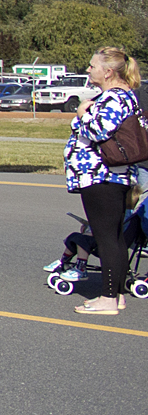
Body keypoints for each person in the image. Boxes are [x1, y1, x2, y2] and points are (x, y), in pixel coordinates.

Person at [62, 46, 144, 317]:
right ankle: (116, 294)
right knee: (116, 236)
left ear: (108, 72)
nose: (88, 70)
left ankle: (108, 298)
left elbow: (99, 130)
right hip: (113, 176)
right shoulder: (123, 96)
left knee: (106, 237)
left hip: (101, 176)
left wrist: (81, 117)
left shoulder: (113, 98)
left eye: (92, 66)